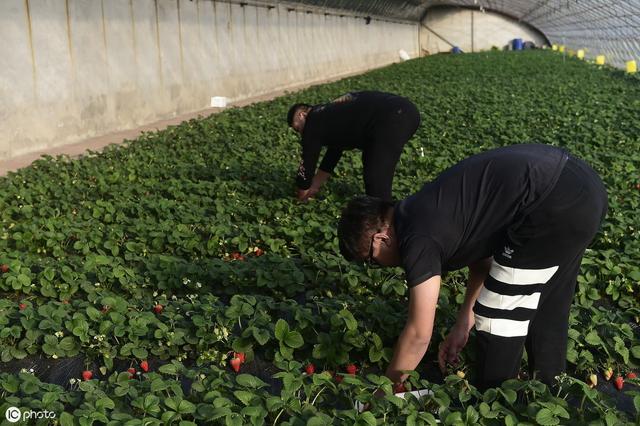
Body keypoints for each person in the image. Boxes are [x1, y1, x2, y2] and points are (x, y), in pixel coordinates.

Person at [337, 144, 607, 389]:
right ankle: (551, 387)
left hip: (551, 201)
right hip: (581, 185)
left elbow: (419, 332)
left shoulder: (416, 237)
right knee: (547, 302)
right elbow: (481, 261)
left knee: (497, 314)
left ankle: (494, 404)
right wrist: (462, 324)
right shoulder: (422, 208)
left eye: (371, 260)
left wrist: (386, 388)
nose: (378, 265)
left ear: (380, 238)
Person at [287, 91, 420, 202]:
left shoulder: (313, 120)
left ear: (302, 115)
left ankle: (384, 223)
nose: (301, 133)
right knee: (371, 161)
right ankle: (383, 212)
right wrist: (315, 184)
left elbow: (308, 160)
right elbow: (334, 151)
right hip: (407, 111)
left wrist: (302, 192)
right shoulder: (330, 114)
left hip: (391, 117)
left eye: (298, 128)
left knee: (376, 179)